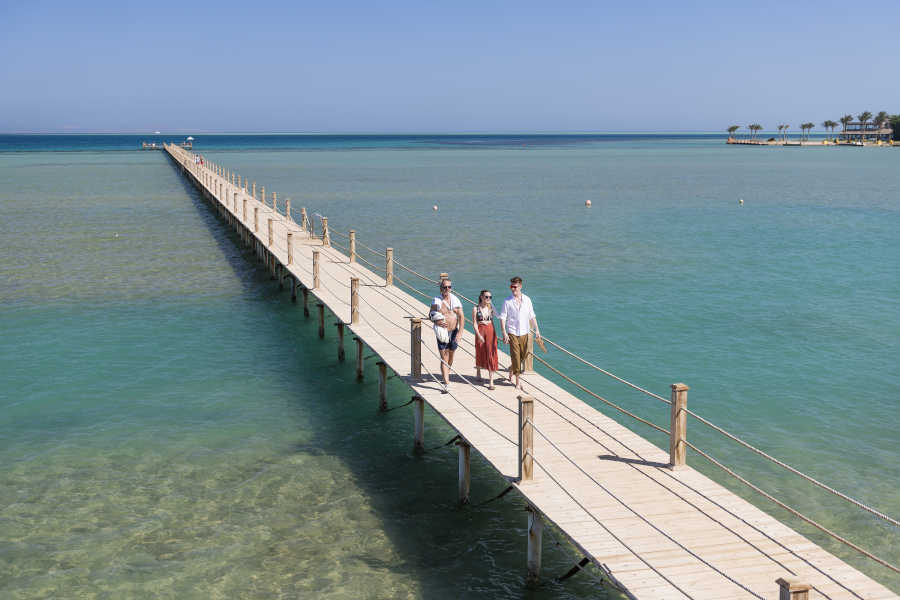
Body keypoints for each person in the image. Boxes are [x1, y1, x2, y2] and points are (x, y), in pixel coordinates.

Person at [499, 276, 540, 390]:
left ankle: (512, 368)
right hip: (512, 332)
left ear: (520, 286)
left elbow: (532, 316)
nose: (513, 289)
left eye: (515, 287)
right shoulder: (507, 301)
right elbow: (503, 317)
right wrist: (504, 333)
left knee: (523, 355)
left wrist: (537, 330)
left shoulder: (527, 299)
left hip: (525, 332)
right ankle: (517, 381)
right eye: (511, 286)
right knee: (516, 356)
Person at [430, 278, 464, 389]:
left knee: (451, 355)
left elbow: (461, 317)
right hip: (442, 333)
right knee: (444, 357)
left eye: (449, 287)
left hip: (454, 331)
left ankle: (446, 374)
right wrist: (437, 321)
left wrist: (460, 333)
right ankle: (446, 382)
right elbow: (430, 314)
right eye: (445, 287)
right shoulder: (436, 301)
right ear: (441, 288)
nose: (447, 289)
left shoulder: (456, 301)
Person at [473, 290, 499, 389]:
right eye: (486, 297)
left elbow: (498, 315)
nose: (488, 299)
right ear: (481, 297)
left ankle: (491, 381)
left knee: (490, 353)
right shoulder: (475, 308)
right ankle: (478, 370)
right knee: (479, 351)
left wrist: (491, 304)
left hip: (490, 330)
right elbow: (475, 323)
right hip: (480, 330)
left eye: (490, 297)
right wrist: (478, 335)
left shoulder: (491, 307)